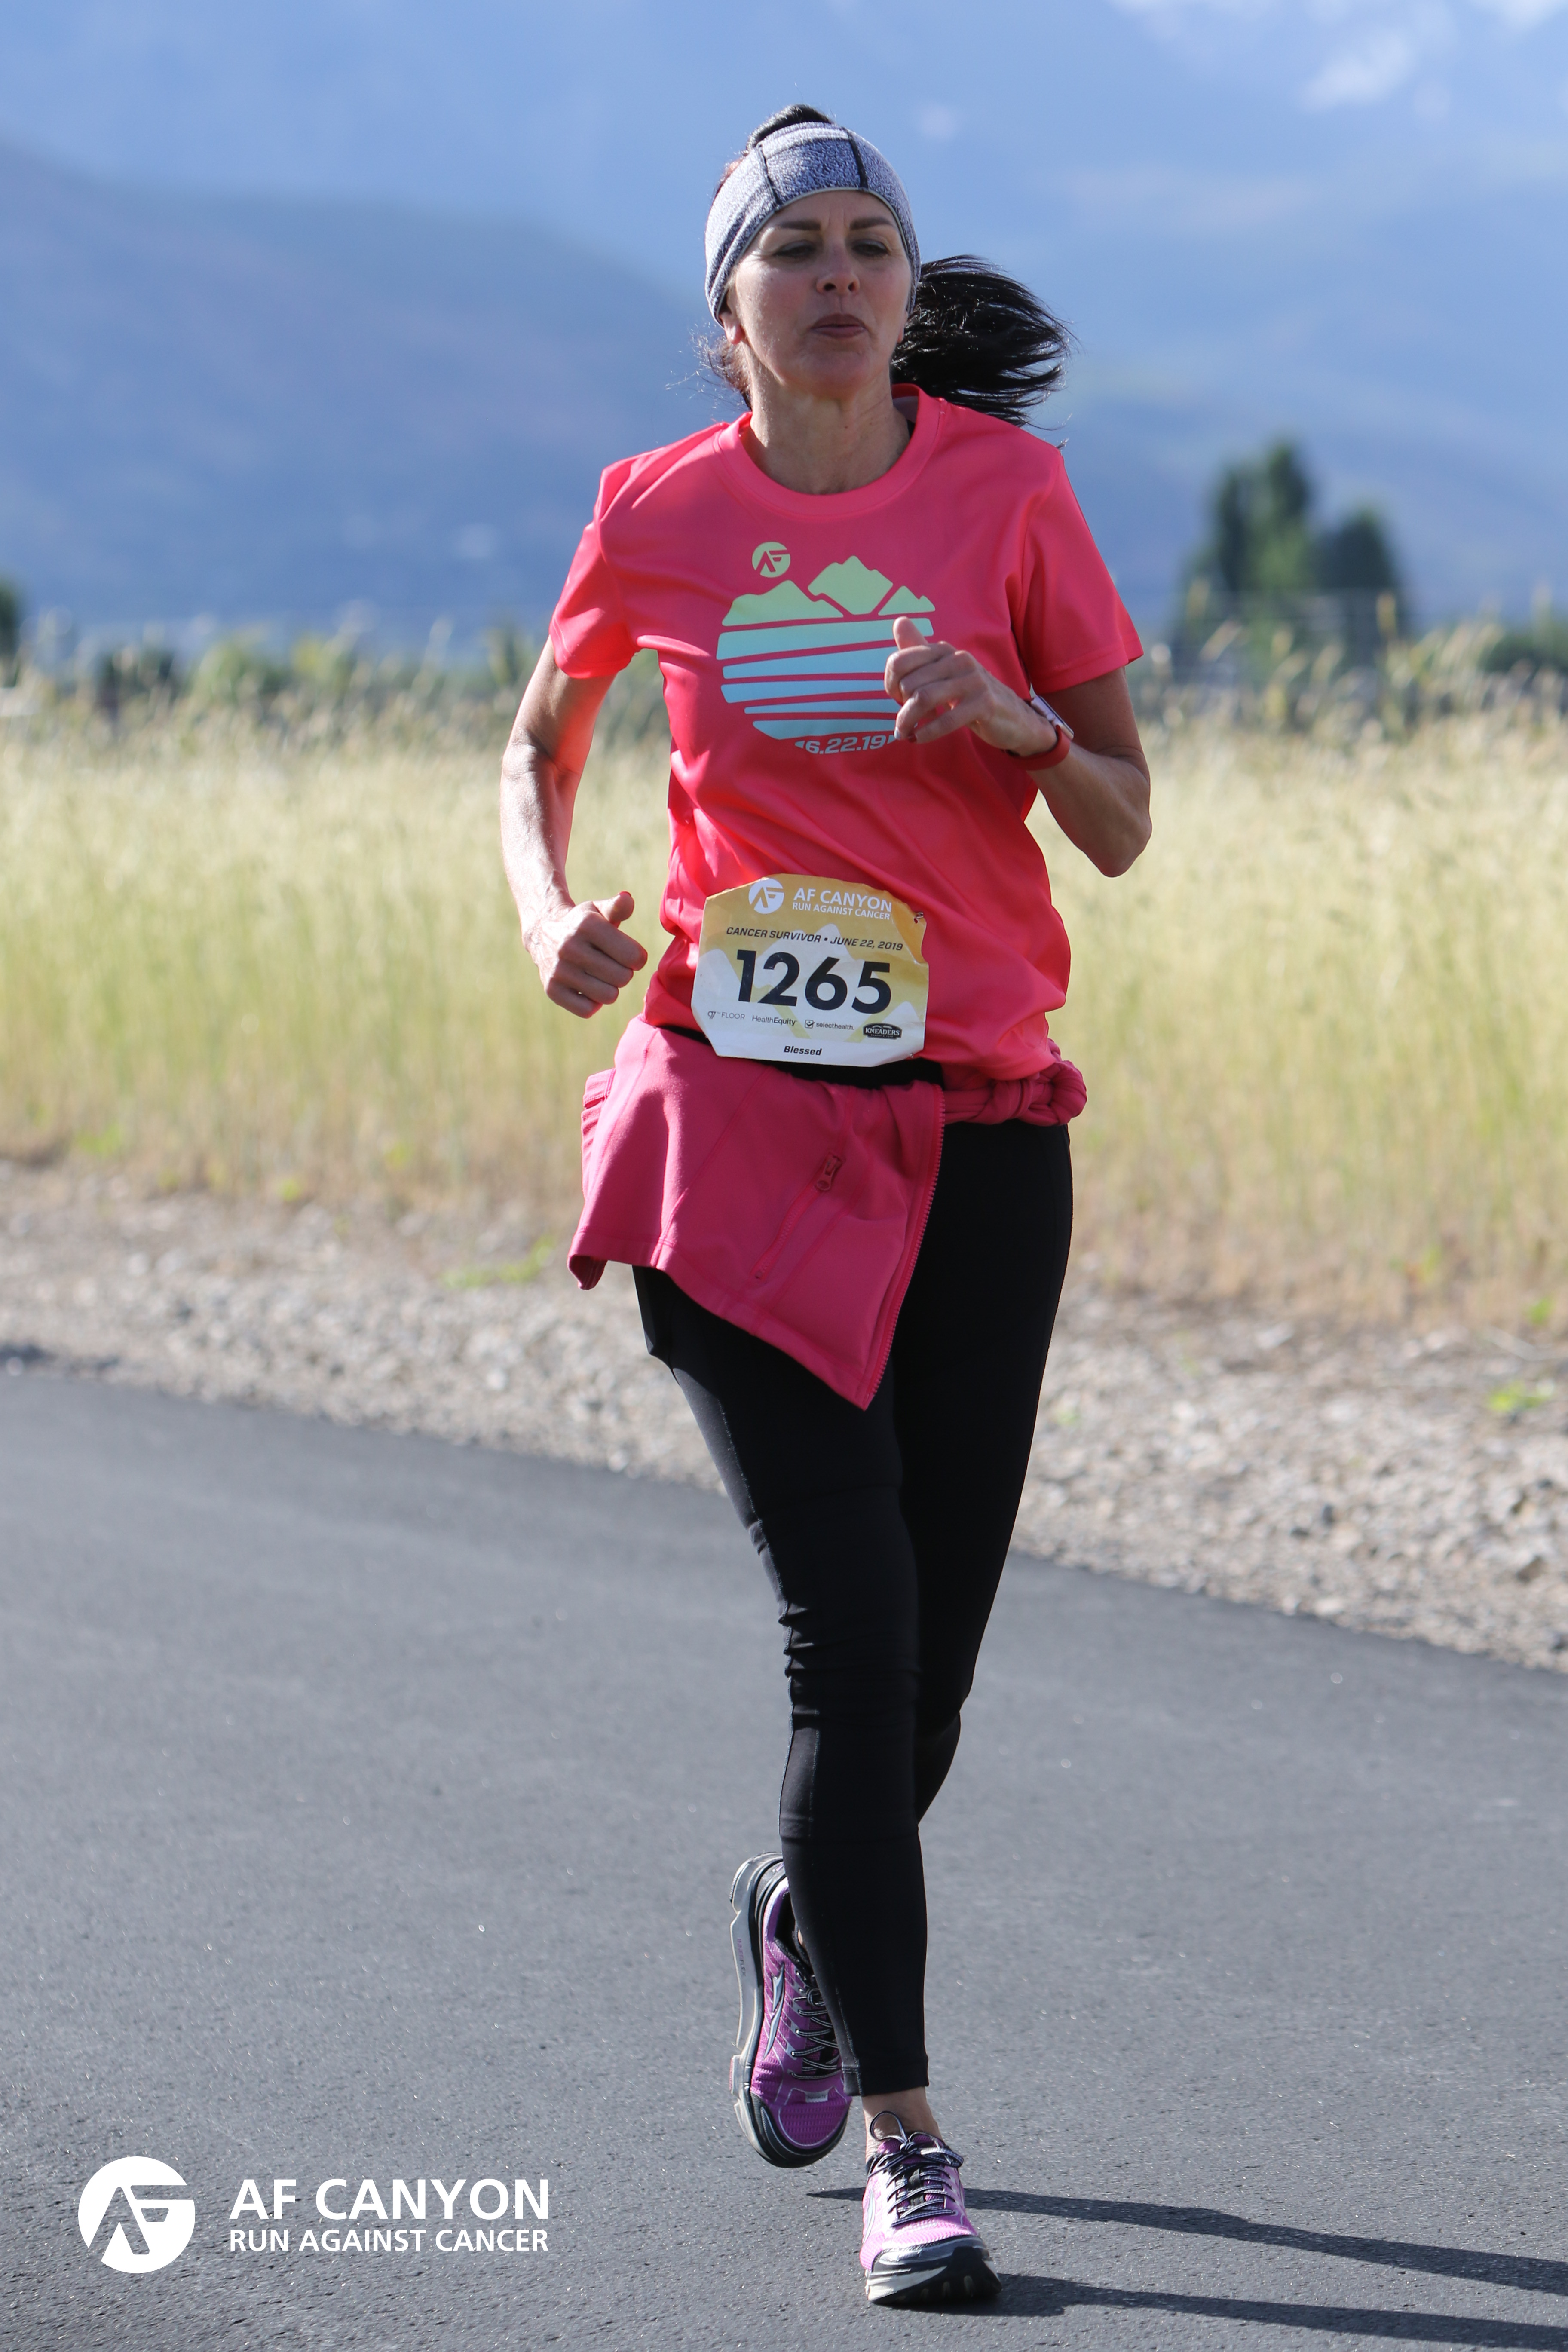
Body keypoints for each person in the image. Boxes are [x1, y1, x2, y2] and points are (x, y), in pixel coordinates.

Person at [499, 103, 1151, 2309]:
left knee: (929, 1668)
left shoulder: (1011, 496)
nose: (845, 273)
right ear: (731, 312)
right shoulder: (657, 511)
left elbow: (1125, 818)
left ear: (906, 286)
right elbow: (538, 743)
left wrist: (1011, 724)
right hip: (735, 1122)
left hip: (978, 1126)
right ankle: (913, 2146)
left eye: (875, 240)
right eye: (798, 248)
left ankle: (803, 1914)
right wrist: (550, 914)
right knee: (849, 1644)